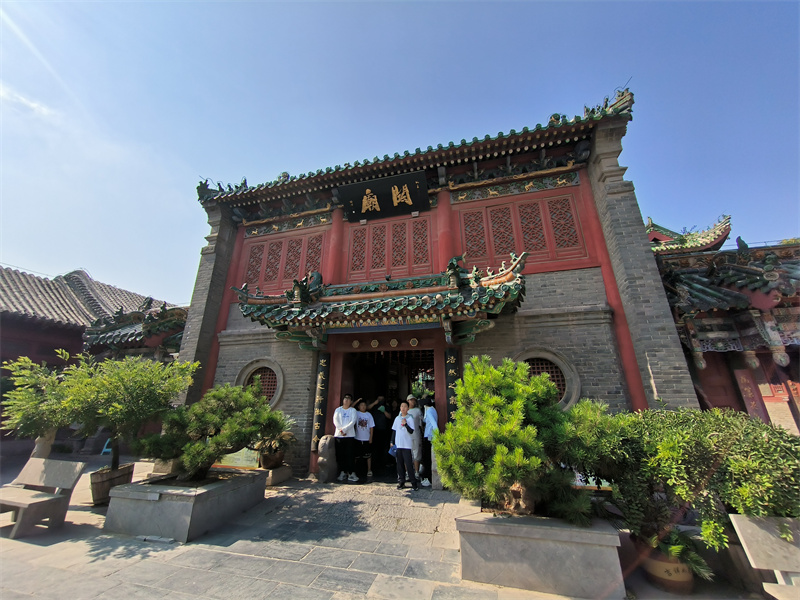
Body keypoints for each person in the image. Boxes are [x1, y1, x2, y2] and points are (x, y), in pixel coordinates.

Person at [390, 399, 418, 490]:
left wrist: (405, 424)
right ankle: (401, 482)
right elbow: (394, 430)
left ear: (408, 409)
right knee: (400, 465)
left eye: (405, 406)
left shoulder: (410, 418)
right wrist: (392, 441)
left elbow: (411, 431)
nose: (403, 408)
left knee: (409, 464)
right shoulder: (397, 418)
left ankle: (414, 483)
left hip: (407, 445)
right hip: (399, 444)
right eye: (402, 406)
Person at [333, 393, 358, 482]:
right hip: (339, 436)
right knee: (340, 455)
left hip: (349, 435)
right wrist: (341, 430)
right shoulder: (338, 410)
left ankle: (351, 473)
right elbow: (335, 420)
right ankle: (342, 472)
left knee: (350, 455)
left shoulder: (353, 410)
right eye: (345, 398)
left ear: (351, 401)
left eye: (348, 399)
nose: (346, 400)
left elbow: (353, 421)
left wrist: (345, 430)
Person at [368, 395, 391, 474]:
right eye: (379, 399)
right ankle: (375, 464)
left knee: (384, 448)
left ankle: (384, 463)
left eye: (382, 399)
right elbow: (367, 408)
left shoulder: (386, 407)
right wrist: (374, 403)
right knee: (375, 448)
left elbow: (389, 416)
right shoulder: (374, 406)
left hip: (384, 430)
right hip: (375, 430)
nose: (380, 400)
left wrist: (384, 411)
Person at [354, 399, 374, 479]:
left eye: (364, 405)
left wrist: (371, 437)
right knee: (356, 455)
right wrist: (357, 401)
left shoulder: (369, 415)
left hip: (366, 438)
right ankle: (354, 470)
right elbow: (350, 407)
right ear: (358, 407)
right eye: (361, 405)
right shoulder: (356, 413)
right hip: (357, 437)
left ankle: (369, 470)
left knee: (368, 455)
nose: (363, 407)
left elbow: (371, 427)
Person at [420, 396, 438, 487]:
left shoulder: (429, 411)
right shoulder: (433, 410)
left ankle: (428, 478)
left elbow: (434, 424)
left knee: (427, 458)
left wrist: (436, 435)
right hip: (430, 436)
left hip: (429, 436)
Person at [406, 395, 423, 481]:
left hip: (416, 434)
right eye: (411, 400)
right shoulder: (404, 411)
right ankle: (407, 473)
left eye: (414, 400)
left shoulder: (417, 411)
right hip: (406, 436)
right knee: (407, 454)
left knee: (417, 453)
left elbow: (421, 423)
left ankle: (416, 472)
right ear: (408, 401)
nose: (413, 402)